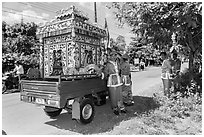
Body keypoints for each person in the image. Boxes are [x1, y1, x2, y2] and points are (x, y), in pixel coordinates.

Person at [103, 50, 127, 115]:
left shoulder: (117, 62)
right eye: (113, 55)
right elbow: (105, 72)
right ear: (110, 56)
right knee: (113, 95)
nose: (114, 57)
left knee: (119, 94)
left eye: (115, 55)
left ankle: (121, 107)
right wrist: (104, 76)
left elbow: (120, 70)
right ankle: (115, 108)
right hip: (112, 80)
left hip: (118, 79)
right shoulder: (108, 64)